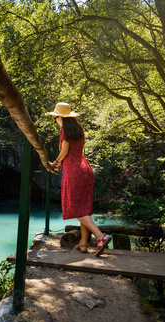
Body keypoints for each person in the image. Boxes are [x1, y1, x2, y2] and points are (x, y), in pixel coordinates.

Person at [46, 102, 111, 256]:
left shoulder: (65, 131)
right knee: (83, 207)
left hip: (74, 171)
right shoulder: (78, 129)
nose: (55, 119)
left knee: (74, 207)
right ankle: (83, 243)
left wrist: (54, 163)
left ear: (60, 117)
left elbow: (65, 152)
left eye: (55, 117)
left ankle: (101, 237)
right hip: (85, 169)